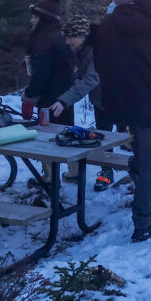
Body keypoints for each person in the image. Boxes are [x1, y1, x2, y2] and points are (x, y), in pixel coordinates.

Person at [94, 0, 151, 243]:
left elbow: (99, 61)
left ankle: (139, 185)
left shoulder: (109, 25)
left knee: (141, 154)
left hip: (120, 101)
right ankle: (143, 221)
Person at [48, 15, 117, 191]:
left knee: (132, 137)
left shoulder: (97, 50)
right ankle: (106, 172)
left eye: (70, 36)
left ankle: (147, 168)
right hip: (100, 99)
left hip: (118, 97)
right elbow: (81, 74)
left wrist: (64, 101)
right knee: (104, 135)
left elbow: (91, 79)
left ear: (81, 36)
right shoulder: (80, 49)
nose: (67, 40)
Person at [23, 0, 75, 185]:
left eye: (35, 16)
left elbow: (41, 73)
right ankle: (73, 171)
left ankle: (50, 177)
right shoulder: (57, 37)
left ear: (43, 19)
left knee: (48, 137)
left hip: (49, 98)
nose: (31, 20)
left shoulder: (43, 40)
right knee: (65, 134)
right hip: (64, 95)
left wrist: (30, 94)